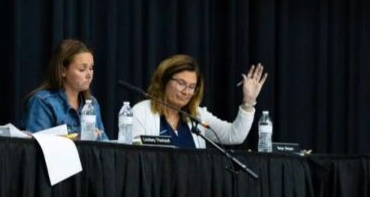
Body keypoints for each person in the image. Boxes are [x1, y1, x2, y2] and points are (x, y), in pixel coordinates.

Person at [131, 54, 268, 148]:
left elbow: (234, 135)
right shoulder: (141, 112)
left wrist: (248, 102)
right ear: (164, 80)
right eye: (181, 83)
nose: (186, 92)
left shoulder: (197, 116)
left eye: (191, 87)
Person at [23, 39, 108, 139]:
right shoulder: (43, 102)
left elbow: (104, 145)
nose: (89, 74)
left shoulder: (92, 104)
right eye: (82, 69)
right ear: (63, 71)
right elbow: (36, 147)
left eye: (91, 68)